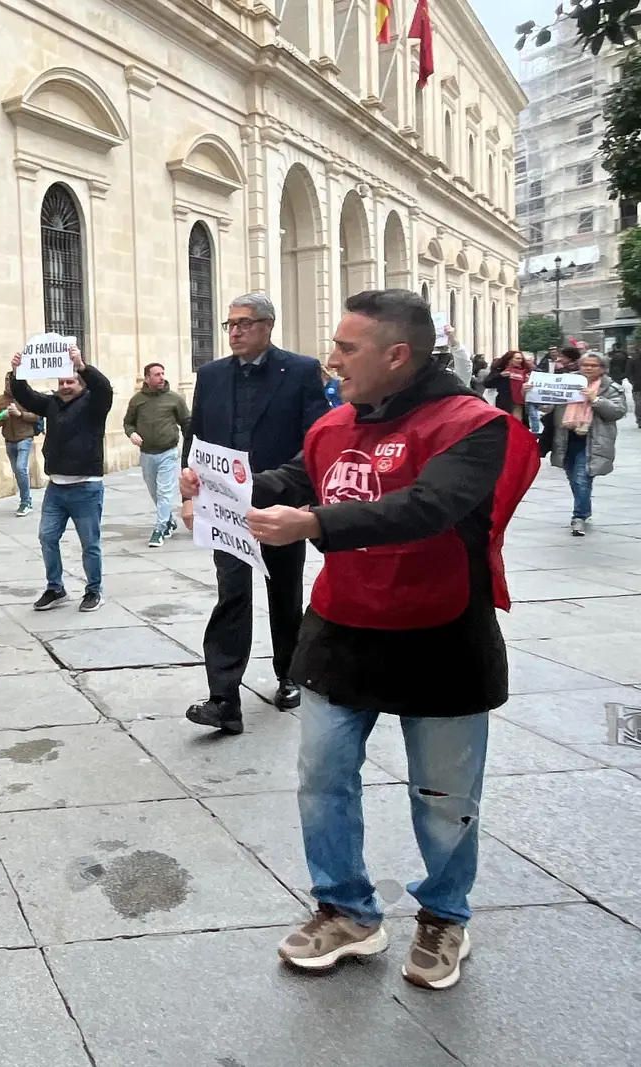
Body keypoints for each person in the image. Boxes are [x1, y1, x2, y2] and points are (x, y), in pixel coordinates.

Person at [187, 288, 539, 991]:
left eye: (347, 348)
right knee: (322, 776)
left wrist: (315, 525)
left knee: (443, 793)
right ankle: (345, 908)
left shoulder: (475, 424)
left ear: (396, 354)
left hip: (441, 637)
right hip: (342, 629)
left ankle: (443, 914)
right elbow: (299, 475)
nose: (334, 359)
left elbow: (428, 506)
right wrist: (234, 486)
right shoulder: (333, 424)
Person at [181, 292, 329, 733]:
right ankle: (223, 699)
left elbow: (315, 441)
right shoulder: (210, 375)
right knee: (231, 597)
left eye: (245, 323)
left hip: (280, 507)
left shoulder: (300, 371)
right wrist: (189, 491)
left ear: (268, 325)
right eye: (230, 324)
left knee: (284, 596)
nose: (236, 331)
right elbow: (197, 439)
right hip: (225, 511)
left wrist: (292, 489)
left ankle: (289, 675)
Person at [7, 346, 114, 612]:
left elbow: (105, 389)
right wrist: (17, 372)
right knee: (47, 537)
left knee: (90, 543)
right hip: (56, 488)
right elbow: (26, 396)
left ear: (80, 383)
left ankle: (93, 590)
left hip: (86, 487)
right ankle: (55, 588)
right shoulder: (51, 404)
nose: (65, 386)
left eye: (71, 382)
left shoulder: (94, 403)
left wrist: (81, 365)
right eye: (61, 382)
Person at [550, 351, 628, 537]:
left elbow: (617, 411)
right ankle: (585, 509)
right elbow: (548, 406)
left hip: (594, 441)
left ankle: (579, 517)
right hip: (567, 438)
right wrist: (530, 393)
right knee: (574, 478)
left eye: (594, 366)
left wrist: (596, 400)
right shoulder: (568, 382)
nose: (589, 369)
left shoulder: (612, 388)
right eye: (586, 365)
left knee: (581, 478)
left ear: (603, 369)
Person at [122, 361, 189, 547]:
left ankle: (159, 529)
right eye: (157, 374)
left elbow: (187, 423)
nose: (161, 377)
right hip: (147, 454)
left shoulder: (174, 399)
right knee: (154, 492)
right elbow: (128, 422)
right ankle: (168, 520)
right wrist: (131, 433)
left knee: (164, 491)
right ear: (147, 378)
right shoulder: (137, 400)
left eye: (162, 373)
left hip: (168, 452)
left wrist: (189, 452)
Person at [0, 382, 41, 516]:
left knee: (21, 468)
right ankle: (25, 499)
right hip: (9, 440)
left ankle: (26, 502)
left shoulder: (26, 396)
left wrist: (19, 414)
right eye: (6, 381)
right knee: (17, 472)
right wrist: (1, 417)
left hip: (24, 438)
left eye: (11, 381)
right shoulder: (1, 400)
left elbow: (37, 416)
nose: (8, 384)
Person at [481, 351, 532, 425]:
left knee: (517, 424)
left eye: (521, 359)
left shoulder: (525, 372)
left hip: (519, 403)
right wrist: (500, 376)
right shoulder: (500, 370)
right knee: (505, 424)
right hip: (504, 402)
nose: (520, 361)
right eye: (517, 358)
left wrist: (529, 382)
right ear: (509, 360)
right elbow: (487, 383)